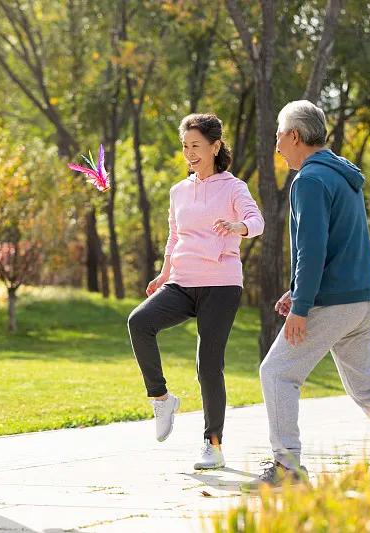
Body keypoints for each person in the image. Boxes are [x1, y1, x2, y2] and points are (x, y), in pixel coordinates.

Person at [246, 100, 370, 489]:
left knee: (277, 373)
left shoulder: (309, 180)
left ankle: (287, 468)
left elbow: (313, 249)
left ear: (294, 136)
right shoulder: (342, 175)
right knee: (368, 388)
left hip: (334, 302)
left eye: (278, 136)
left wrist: (302, 305)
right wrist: (297, 290)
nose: (277, 147)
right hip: (363, 300)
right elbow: (337, 243)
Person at [128, 113, 264, 470]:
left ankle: (212, 444)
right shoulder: (179, 191)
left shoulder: (234, 187)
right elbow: (175, 237)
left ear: (215, 146)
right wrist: (163, 274)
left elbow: (256, 220)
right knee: (139, 322)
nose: (189, 153)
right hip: (182, 281)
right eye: (185, 146)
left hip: (221, 282)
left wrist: (238, 226)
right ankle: (161, 398)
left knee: (208, 365)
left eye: (196, 146)